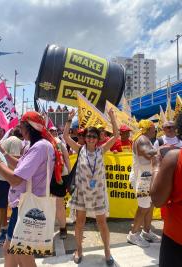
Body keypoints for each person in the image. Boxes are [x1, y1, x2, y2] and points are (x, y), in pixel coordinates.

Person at [0, 111, 55, 267]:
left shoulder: (39, 148)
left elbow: (15, 179)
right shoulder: (40, 145)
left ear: (28, 127)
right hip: (25, 205)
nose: (20, 130)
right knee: (12, 250)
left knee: (20, 253)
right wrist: (1, 151)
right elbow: (20, 167)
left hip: (26, 207)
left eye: (21, 126)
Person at [63, 108, 118, 266]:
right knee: (79, 223)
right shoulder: (80, 149)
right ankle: (79, 249)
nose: (91, 138)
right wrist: (68, 120)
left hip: (98, 194)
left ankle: (107, 251)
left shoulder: (102, 150)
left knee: (102, 223)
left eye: (94, 136)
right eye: (88, 136)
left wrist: (112, 117)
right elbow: (66, 136)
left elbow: (115, 135)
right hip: (81, 193)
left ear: (98, 138)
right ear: (84, 137)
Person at [150, 113, 182, 267]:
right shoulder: (159, 141)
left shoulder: (174, 157)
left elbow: (157, 200)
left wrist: (157, 167)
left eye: (172, 127)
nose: (169, 129)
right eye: (166, 127)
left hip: (177, 237)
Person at [127, 120, 161, 247]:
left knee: (150, 205)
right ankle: (133, 234)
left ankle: (146, 232)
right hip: (143, 179)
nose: (155, 130)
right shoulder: (142, 139)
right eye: (153, 128)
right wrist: (163, 149)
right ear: (148, 129)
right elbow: (149, 154)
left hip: (147, 178)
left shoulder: (145, 139)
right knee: (144, 207)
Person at [49, 126, 71, 239]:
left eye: (54, 131)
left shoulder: (59, 142)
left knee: (59, 204)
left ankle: (63, 228)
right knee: (46, 204)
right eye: (50, 131)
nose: (52, 132)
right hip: (45, 177)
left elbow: (66, 158)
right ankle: (45, 228)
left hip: (60, 175)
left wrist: (70, 176)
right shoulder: (42, 142)